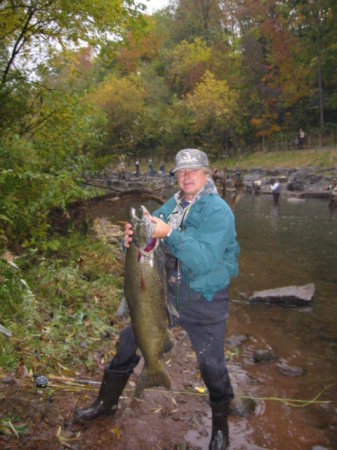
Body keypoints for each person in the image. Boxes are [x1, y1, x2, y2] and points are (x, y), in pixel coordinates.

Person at [74, 148, 239, 450]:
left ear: (207, 174)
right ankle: (105, 403)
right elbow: (147, 243)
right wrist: (130, 241)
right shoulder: (172, 205)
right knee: (128, 341)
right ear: (176, 176)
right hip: (168, 293)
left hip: (206, 296)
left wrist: (169, 234)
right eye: (181, 172)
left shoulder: (219, 212)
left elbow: (204, 259)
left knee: (211, 364)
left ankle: (220, 426)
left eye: (193, 171)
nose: (186, 176)